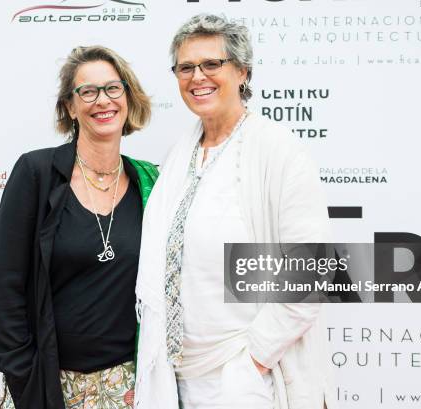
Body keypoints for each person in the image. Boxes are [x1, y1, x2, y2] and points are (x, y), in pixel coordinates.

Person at [134, 14, 335, 409]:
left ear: (243, 71)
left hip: (247, 379)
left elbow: (307, 271)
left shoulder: (276, 150)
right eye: (186, 67)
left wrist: (252, 362)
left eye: (212, 64)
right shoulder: (179, 155)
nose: (198, 77)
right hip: (177, 379)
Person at [0, 45, 158, 409]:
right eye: (88, 91)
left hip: (129, 387)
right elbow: (5, 291)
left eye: (113, 88)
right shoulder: (37, 174)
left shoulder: (150, 182)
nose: (103, 101)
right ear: (70, 106)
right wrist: (26, 381)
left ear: (127, 97)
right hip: (51, 386)